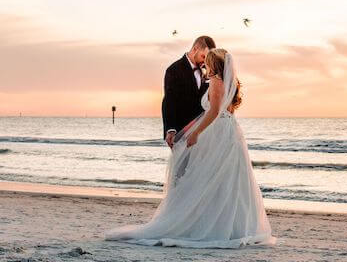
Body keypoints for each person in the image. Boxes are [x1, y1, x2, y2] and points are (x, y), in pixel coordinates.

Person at [106, 49, 275, 248]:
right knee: (226, 180)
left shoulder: (216, 82)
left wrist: (196, 133)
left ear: (214, 64)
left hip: (218, 131)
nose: (204, 66)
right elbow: (211, 114)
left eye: (207, 63)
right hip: (230, 131)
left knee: (209, 178)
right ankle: (232, 226)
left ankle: (210, 225)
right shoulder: (231, 82)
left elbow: (212, 112)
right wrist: (187, 129)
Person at [162, 35, 215, 148]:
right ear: (195, 49)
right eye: (203, 56)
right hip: (181, 133)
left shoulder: (206, 71)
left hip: (201, 134)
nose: (205, 61)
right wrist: (170, 129)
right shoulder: (174, 70)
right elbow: (169, 101)